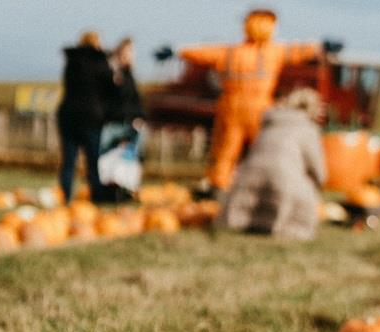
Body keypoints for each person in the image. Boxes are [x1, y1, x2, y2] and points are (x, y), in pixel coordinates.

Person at [160, 9, 324, 192]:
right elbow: (298, 51)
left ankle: (218, 185)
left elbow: (205, 53)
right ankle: (266, 184)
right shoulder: (273, 52)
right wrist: (321, 47)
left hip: (232, 108)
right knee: (265, 148)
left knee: (225, 150)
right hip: (260, 110)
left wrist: (177, 51)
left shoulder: (231, 52)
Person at [217, 88, 326, 240]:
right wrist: (320, 181)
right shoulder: (308, 129)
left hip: (249, 178)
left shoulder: (269, 123)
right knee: (305, 183)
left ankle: (248, 219)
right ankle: (290, 225)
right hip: (282, 181)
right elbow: (317, 168)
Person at [56, 31, 118, 203]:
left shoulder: (72, 61)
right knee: (93, 161)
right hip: (91, 117)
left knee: (69, 161)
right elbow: (110, 91)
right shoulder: (100, 62)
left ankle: (65, 198)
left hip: (68, 115)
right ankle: (96, 198)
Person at [99, 37, 145, 201]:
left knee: (128, 159)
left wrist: (139, 117)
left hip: (130, 123)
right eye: (129, 51)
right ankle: (108, 191)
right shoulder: (112, 72)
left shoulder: (128, 73)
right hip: (114, 123)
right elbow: (112, 98)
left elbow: (134, 99)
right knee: (108, 157)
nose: (132, 55)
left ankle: (125, 190)